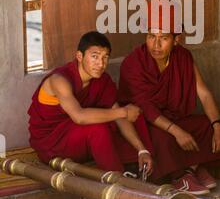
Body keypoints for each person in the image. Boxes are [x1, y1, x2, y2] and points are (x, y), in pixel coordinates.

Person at [118, 0, 220, 195]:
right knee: (162, 138)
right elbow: (146, 108)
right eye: (151, 36)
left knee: (206, 125)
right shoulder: (133, 63)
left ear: (176, 39)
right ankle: (182, 176)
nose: (156, 45)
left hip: (174, 118)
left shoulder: (183, 57)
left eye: (164, 38)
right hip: (147, 123)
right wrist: (177, 131)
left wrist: (218, 125)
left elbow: (203, 93)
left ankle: (191, 168)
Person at [28, 31, 153, 176]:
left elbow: (118, 114)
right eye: (94, 57)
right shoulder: (60, 80)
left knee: (129, 119)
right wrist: (124, 112)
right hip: (53, 144)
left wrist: (141, 150)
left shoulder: (102, 80)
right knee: (98, 127)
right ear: (79, 56)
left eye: (105, 57)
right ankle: (118, 180)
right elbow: (80, 117)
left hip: (77, 139)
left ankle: (134, 168)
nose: (101, 64)